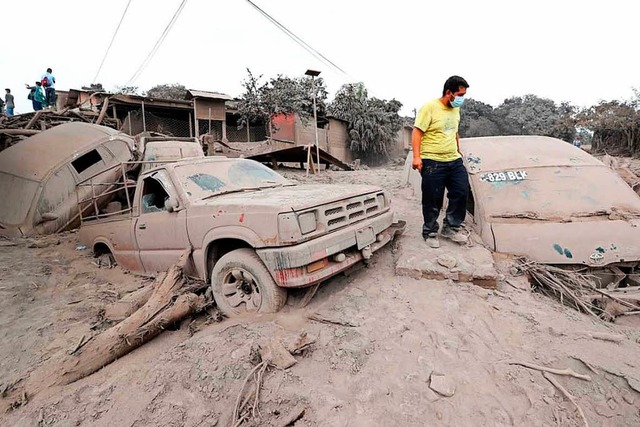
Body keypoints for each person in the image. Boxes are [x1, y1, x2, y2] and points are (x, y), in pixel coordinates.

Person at [411, 75, 470, 248]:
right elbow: (417, 132)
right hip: (432, 160)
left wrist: (459, 151)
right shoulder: (430, 107)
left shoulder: (455, 110)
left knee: (461, 190)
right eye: (460, 95)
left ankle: (451, 227)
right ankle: (430, 231)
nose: (462, 99)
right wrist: (416, 157)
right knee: (433, 197)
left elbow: (454, 131)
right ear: (449, 93)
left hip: (453, 159)